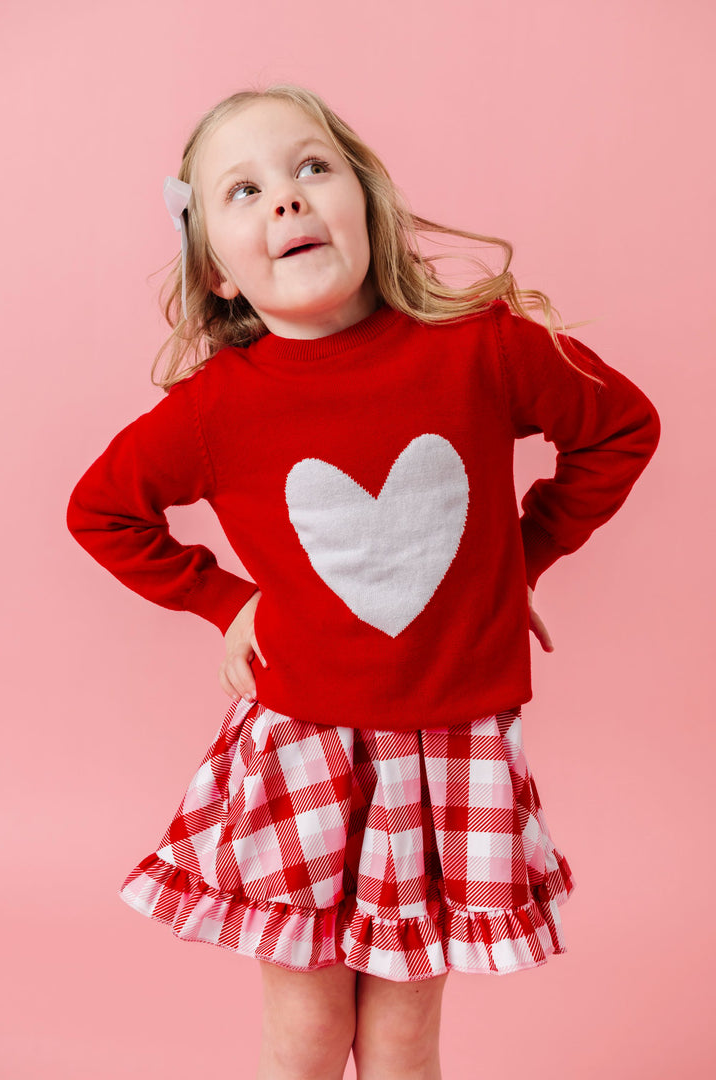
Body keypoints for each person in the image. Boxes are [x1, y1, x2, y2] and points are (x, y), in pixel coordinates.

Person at [66, 83, 661, 1080]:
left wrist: (524, 557)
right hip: (302, 751)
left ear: (367, 202)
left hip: (453, 753)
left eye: (311, 169)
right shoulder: (216, 411)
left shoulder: (485, 347)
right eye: (244, 191)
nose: (287, 201)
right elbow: (101, 512)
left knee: (403, 1040)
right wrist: (227, 600)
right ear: (215, 270)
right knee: (302, 1035)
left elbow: (619, 429)